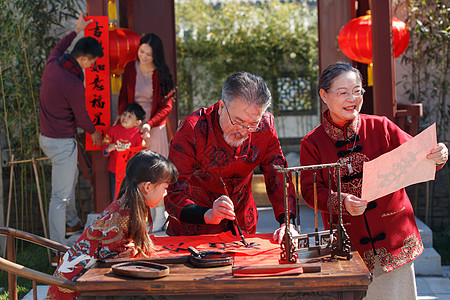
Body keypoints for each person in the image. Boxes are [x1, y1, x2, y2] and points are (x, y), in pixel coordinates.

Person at [299, 62, 449, 300]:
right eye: (343, 92)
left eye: (357, 91)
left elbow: (420, 155)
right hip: (348, 241)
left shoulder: (381, 126)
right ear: (324, 96)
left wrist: (438, 154)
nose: (352, 98)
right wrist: (342, 201)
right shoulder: (312, 143)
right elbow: (309, 190)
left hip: (393, 236)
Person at [166, 71, 298, 242]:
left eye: (252, 124)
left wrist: (287, 223)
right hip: (194, 228)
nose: (243, 131)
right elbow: (174, 191)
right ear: (222, 107)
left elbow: (278, 176)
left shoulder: (265, 127)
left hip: (242, 224)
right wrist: (207, 215)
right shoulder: (191, 129)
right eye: (237, 121)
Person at [45, 150, 179, 300]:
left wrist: (133, 248)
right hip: (76, 287)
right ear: (147, 187)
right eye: (165, 188)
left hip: (85, 279)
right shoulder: (122, 214)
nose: (165, 194)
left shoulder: (131, 205)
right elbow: (111, 262)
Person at [39, 13, 103, 248]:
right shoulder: (73, 83)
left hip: (46, 138)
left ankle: (73, 222)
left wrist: (77, 31)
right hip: (62, 143)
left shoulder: (53, 63)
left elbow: (59, 45)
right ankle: (57, 245)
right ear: (84, 59)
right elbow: (82, 116)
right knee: (60, 197)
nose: (93, 66)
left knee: (71, 178)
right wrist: (94, 132)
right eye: (92, 62)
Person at [118, 33, 175, 231]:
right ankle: (140, 215)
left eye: (148, 55)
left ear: (155, 56)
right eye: (141, 51)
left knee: (156, 173)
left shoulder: (162, 73)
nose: (143, 56)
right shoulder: (130, 68)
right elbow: (124, 96)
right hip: (133, 128)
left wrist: (149, 123)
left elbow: (166, 106)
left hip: (154, 128)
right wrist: (126, 119)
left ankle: (160, 214)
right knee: (135, 173)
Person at [102, 103, 149, 198]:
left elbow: (142, 152)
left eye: (130, 116)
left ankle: (130, 212)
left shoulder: (138, 135)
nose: (125, 118)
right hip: (115, 170)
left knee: (131, 196)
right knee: (117, 195)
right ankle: (117, 212)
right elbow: (104, 145)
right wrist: (108, 149)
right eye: (124, 114)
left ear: (137, 122)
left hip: (131, 171)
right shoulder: (113, 130)